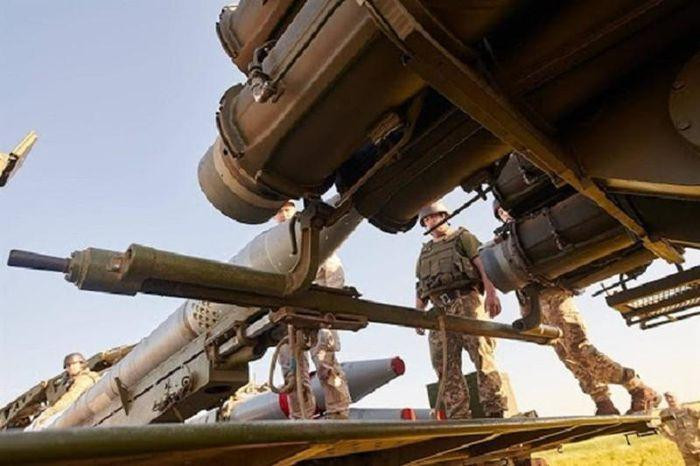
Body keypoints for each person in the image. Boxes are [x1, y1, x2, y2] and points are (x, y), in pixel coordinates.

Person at [493, 198, 660, 415]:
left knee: (578, 348)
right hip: (534, 303)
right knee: (567, 356)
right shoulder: (506, 239)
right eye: (499, 213)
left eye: (505, 210)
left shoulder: (534, 226)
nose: (504, 214)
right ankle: (603, 402)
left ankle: (638, 388)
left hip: (555, 294)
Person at [415, 200, 509, 419]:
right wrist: (418, 314)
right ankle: (458, 415)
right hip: (438, 312)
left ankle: (494, 410)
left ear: (445, 216)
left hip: (466, 301)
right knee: (444, 366)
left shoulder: (463, 237)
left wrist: (491, 292)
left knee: (482, 355)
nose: (431, 221)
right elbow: (420, 286)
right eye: (427, 219)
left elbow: (483, 265)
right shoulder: (425, 252)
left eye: (435, 216)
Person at [274, 200, 351, 420]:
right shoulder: (274, 249)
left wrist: (329, 309)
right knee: (292, 373)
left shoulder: (314, 239)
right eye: (279, 212)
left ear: (295, 210)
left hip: (318, 312)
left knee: (326, 364)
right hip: (289, 317)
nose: (283, 214)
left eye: (287, 209)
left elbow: (334, 274)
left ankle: (338, 412)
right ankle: (301, 417)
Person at [33, 353, 100, 426]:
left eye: (73, 364)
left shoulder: (86, 378)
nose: (71, 367)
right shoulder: (67, 381)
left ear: (81, 364)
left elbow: (69, 398)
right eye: (68, 365)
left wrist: (48, 413)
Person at [659, 392, 700, 465]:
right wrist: (672, 437)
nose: (669, 400)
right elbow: (662, 427)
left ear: (676, 397)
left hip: (697, 443)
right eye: (667, 398)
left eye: (671, 397)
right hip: (684, 449)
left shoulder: (688, 410)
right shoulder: (665, 414)